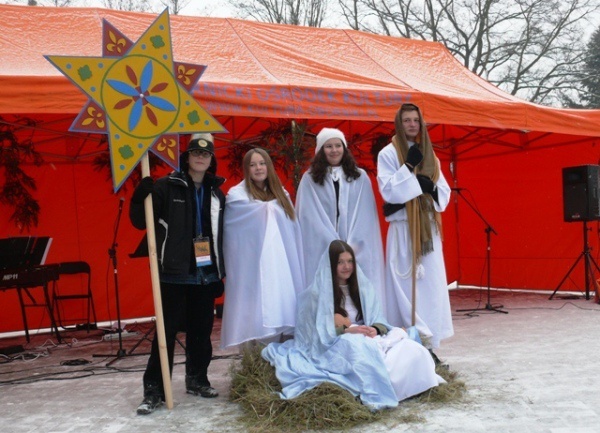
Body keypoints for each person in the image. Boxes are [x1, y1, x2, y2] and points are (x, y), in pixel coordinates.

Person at [262, 240, 443, 410]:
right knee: (356, 346)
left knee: (410, 348)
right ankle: (383, 388)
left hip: (369, 338)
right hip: (337, 343)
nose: (347, 267)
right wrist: (348, 331)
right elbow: (313, 334)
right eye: (341, 262)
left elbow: (378, 318)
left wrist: (375, 328)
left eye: (350, 261)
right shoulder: (315, 295)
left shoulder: (363, 289)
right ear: (331, 265)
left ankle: (408, 383)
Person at [129, 133, 226, 415]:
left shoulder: (217, 193)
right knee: (165, 334)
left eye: (206, 154)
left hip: (205, 276)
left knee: (201, 333)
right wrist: (139, 197)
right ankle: (155, 390)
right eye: (195, 152)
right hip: (173, 274)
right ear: (186, 157)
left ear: (211, 160)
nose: (200, 157)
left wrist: (221, 272)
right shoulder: (165, 187)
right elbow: (139, 222)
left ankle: (197, 379)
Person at [376, 103, 453, 357]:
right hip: (403, 228)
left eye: (416, 120)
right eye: (407, 120)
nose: (412, 125)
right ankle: (408, 340)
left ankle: (429, 342)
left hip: (427, 229)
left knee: (429, 286)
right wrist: (408, 169)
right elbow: (388, 190)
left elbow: (443, 191)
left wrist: (429, 189)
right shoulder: (388, 153)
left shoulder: (430, 154)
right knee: (405, 283)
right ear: (399, 123)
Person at [220, 148, 305, 348]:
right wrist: (264, 210)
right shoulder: (237, 195)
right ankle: (255, 361)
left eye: (262, 163)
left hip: (280, 262)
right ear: (246, 169)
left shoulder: (281, 194)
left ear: (269, 166)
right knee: (256, 309)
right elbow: (235, 232)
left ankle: (279, 354)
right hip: (253, 264)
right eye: (252, 164)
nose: (258, 168)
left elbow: (292, 229)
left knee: (281, 304)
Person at [295, 127, 385, 303]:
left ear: (344, 148)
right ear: (321, 150)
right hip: (321, 243)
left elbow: (365, 213)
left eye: (338, 145)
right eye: (329, 146)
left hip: (355, 242)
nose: (334, 150)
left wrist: (351, 243)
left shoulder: (360, 176)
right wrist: (331, 241)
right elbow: (308, 215)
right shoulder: (309, 178)